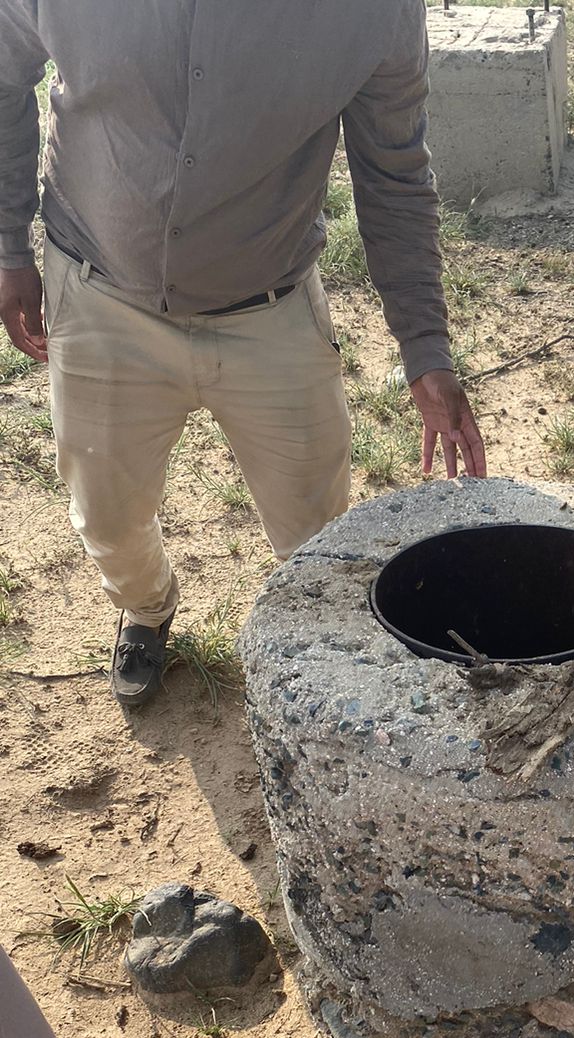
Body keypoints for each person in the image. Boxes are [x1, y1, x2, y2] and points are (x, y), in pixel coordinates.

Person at [0, 0, 487, 708]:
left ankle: (310, 657)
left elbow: (396, 177)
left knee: (317, 536)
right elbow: (4, 74)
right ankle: (146, 608)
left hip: (271, 305)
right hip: (102, 292)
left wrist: (426, 349)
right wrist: (8, 246)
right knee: (107, 519)